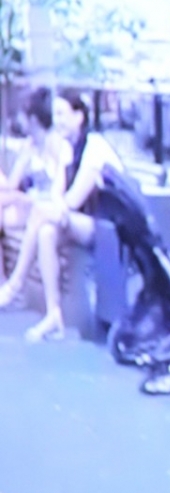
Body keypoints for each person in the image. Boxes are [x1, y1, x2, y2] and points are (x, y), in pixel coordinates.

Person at [0, 89, 123, 341]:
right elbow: (59, 192)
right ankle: (53, 314)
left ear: (79, 116)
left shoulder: (94, 148)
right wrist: (54, 208)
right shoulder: (68, 147)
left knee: (41, 212)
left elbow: (73, 200)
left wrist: (53, 208)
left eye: (62, 114)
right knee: (46, 232)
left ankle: (14, 284)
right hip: (78, 220)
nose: (57, 121)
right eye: (55, 114)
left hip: (106, 225)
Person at [0, 88, 74, 321]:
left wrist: (20, 198)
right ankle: (5, 282)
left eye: (22, 115)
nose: (19, 121)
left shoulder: (57, 145)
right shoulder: (30, 146)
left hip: (47, 207)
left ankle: (11, 286)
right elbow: (12, 185)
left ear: (32, 119)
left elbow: (57, 192)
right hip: (28, 204)